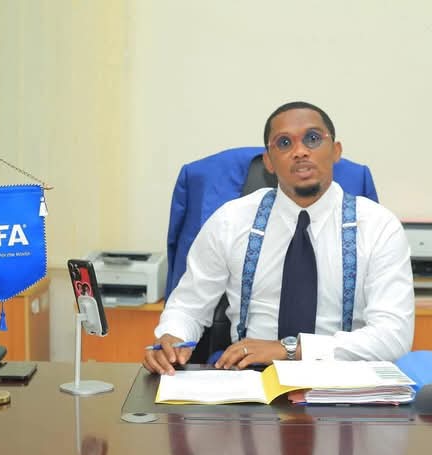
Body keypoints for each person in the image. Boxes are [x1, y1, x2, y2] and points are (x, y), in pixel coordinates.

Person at [144, 101, 414, 375]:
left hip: (344, 378)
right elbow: (188, 307)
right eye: (284, 143)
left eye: (312, 138)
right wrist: (172, 337)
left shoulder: (378, 226)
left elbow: (393, 335)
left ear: (336, 151)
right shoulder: (230, 221)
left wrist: (290, 349)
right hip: (249, 376)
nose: (300, 151)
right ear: (269, 162)